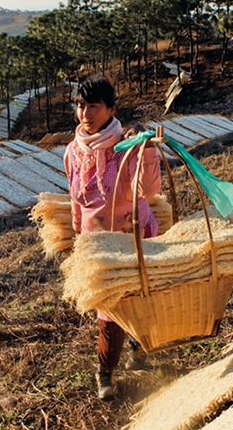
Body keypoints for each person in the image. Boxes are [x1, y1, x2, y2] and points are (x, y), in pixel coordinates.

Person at [63, 74, 162, 400]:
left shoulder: (127, 147)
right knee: (108, 309)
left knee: (136, 300)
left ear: (111, 109)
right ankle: (105, 371)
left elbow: (148, 190)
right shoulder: (73, 152)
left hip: (132, 234)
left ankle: (137, 356)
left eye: (93, 106)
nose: (85, 114)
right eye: (81, 106)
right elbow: (76, 200)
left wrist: (146, 152)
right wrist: (79, 240)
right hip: (98, 242)